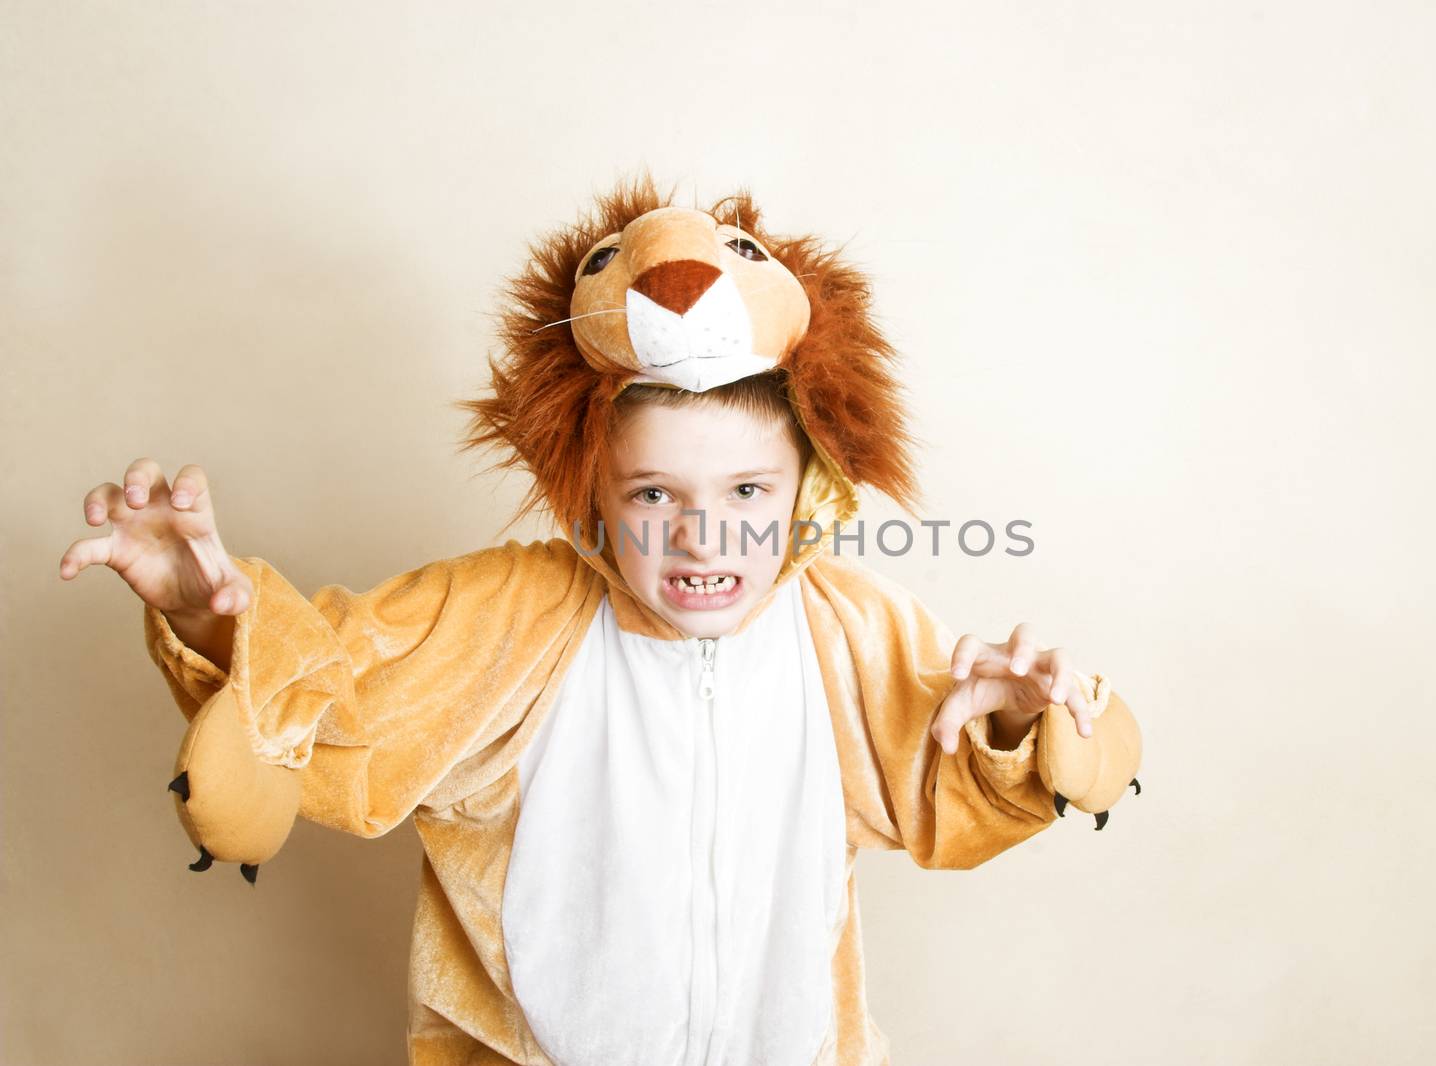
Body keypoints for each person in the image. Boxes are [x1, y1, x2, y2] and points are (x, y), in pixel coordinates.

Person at [58, 180, 1141, 1066]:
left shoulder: (844, 628)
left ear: (806, 491)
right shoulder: (514, 616)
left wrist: (1016, 731)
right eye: (655, 495)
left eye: (747, 495)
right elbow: (342, 691)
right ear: (594, 497)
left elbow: (934, 786)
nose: (702, 539)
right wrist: (214, 622)